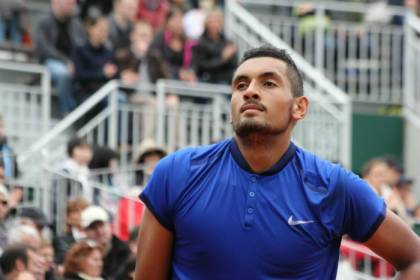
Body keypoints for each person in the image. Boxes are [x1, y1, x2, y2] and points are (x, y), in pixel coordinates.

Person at [135, 46, 420, 279]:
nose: (249, 91)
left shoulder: (334, 186)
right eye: (240, 85)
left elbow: (413, 260)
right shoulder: (176, 173)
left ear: (299, 107)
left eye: (268, 83)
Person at [34, 0, 85, 115]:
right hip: (49, 62)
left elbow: (82, 47)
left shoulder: (76, 24)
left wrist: (75, 63)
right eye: (68, 3)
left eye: (72, 3)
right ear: (56, 2)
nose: (71, 6)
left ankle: (80, 109)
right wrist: (66, 61)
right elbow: (43, 50)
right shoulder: (43, 21)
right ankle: (68, 110)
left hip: (72, 63)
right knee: (63, 73)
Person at [81, 205, 131, 279]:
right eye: (93, 228)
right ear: (85, 232)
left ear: (109, 225)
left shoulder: (125, 251)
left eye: (101, 225)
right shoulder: (80, 254)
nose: (99, 231)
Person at [192, 8, 237, 84]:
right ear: (206, 23)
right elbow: (201, 66)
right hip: (208, 79)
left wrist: (230, 56)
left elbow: (234, 64)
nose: (214, 24)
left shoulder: (227, 41)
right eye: (212, 22)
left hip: (227, 78)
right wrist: (223, 59)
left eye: (217, 21)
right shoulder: (200, 42)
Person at [53, 198, 89, 265]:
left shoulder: (96, 239)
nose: (82, 214)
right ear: (68, 218)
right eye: (77, 211)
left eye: (84, 210)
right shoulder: (61, 240)